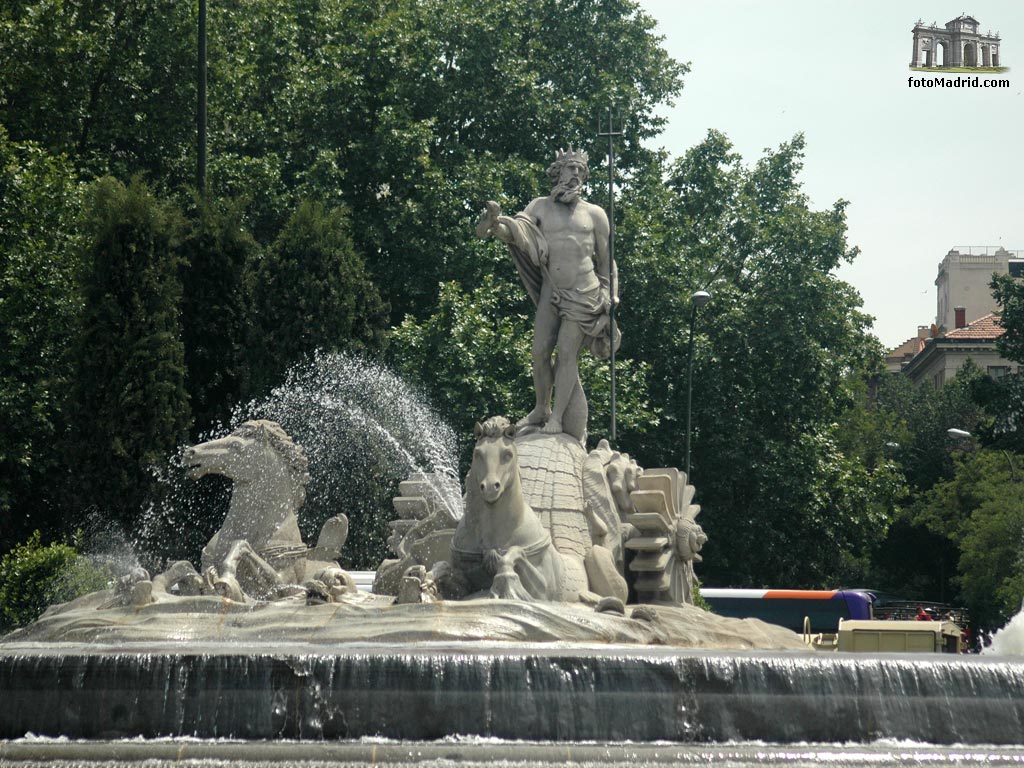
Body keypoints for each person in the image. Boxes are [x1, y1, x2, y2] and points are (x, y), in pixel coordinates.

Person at [475, 148, 620, 440]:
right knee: (539, 352)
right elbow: (519, 233)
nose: (576, 174)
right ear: (557, 172)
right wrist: (496, 223)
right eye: (570, 168)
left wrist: (611, 295)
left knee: (566, 353)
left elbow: (607, 261)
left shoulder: (595, 214)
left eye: (580, 170)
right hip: (551, 292)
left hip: (585, 294)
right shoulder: (539, 207)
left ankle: (556, 418)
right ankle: (541, 408)